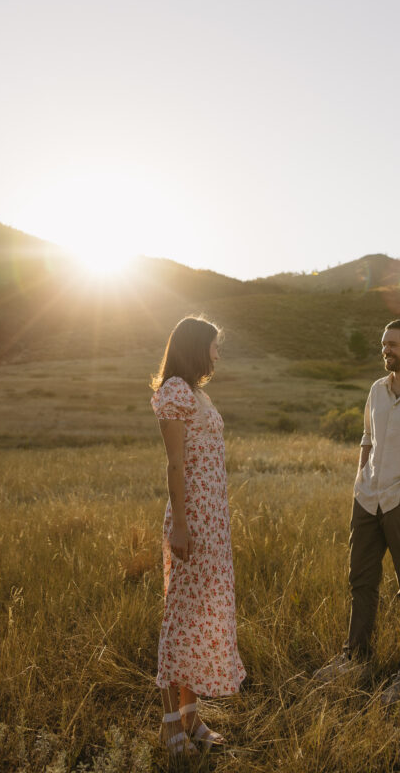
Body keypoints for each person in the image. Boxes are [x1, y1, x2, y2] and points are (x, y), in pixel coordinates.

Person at [316, 318, 400, 700]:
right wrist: (362, 475)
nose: (385, 350)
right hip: (367, 499)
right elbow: (367, 435)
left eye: (392, 344)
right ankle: (356, 657)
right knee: (360, 582)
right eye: (383, 344)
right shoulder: (377, 389)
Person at [150, 316, 245, 756]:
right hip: (192, 520)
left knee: (201, 619)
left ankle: (191, 717)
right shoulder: (174, 393)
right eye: (213, 344)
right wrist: (183, 525)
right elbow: (175, 465)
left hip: (212, 521)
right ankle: (171, 728)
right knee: (181, 621)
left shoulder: (197, 393)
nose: (217, 352)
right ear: (195, 346)